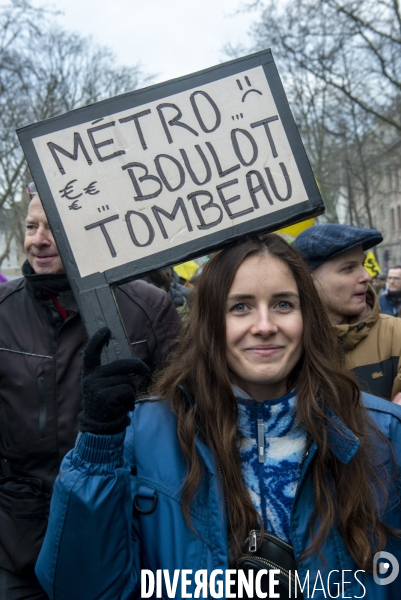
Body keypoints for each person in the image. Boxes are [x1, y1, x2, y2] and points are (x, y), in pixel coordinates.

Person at [36, 233, 401, 600]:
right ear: (210, 322)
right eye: (240, 307)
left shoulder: (382, 433)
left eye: (283, 305)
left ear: (307, 317)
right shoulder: (143, 436)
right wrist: (97, 449)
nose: (264, 325)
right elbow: (82, 588)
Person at [0, 191, 180, 599]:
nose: (38, 241)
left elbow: (184, 414)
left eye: (54, 230)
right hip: (18, 543)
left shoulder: (148, 307)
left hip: (118, 535)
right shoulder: (3, 310)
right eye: (32, 227)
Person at [293, 223, 401, 402]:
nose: (366, 276)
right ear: (307, 280)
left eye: (363, 264)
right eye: (348, 268)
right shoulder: (285, 343)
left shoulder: (396, 334)